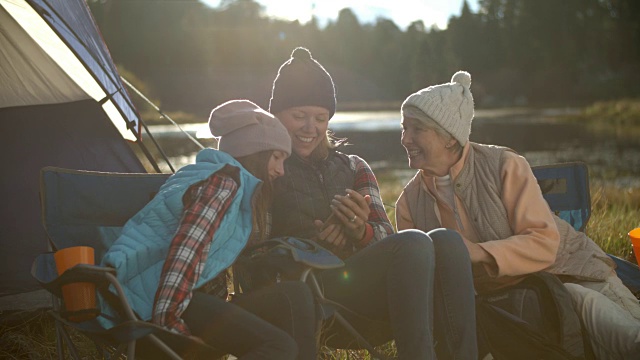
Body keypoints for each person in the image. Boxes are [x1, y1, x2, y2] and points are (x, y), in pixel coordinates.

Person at [395, 70, 640, 359]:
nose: (404, 139)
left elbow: (544, 242)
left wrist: (478, 252)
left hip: (574, 272)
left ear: (450, 138)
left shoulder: (504, 165)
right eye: (403, 128)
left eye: (416, 129)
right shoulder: (408, 203)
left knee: (620, 332)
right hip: (508, 302)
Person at [267, 46, 478, 359]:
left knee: (446, 241)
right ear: (276, 115)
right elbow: (252, 244)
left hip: (363, 294)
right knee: (414, 244)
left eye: (320, 117)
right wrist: (309, 244)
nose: (310, 128)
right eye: (299, 116)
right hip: (309, 295)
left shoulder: (354, 166)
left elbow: (386, 239)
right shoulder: (268, 167)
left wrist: (360, 232)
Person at [101, 100, 316, 360]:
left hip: (178, 298)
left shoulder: (218, 179)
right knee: (280, 347)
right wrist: (169, 322)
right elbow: (185, 254)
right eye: (277, 157)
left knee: (294, 294)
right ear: (254, 151)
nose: (281, 170)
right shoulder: (221, 184)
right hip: (150, 308)